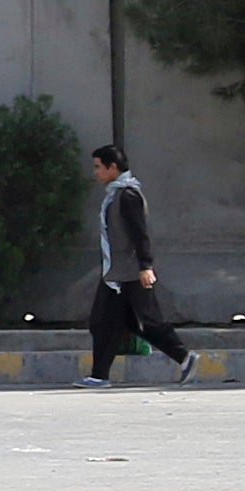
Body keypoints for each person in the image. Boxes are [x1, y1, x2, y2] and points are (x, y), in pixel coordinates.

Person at [86, 141, 190, 382]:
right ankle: (99, 376)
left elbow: (140, 233)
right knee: (105, 323)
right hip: (116, 274)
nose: (96, 172)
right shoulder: (116, 194)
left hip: (130, 273)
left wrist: (145, 266)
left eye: (98, 167)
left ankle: (185, 358)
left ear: (113, 168)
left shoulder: (128, 196)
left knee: (148, 323)